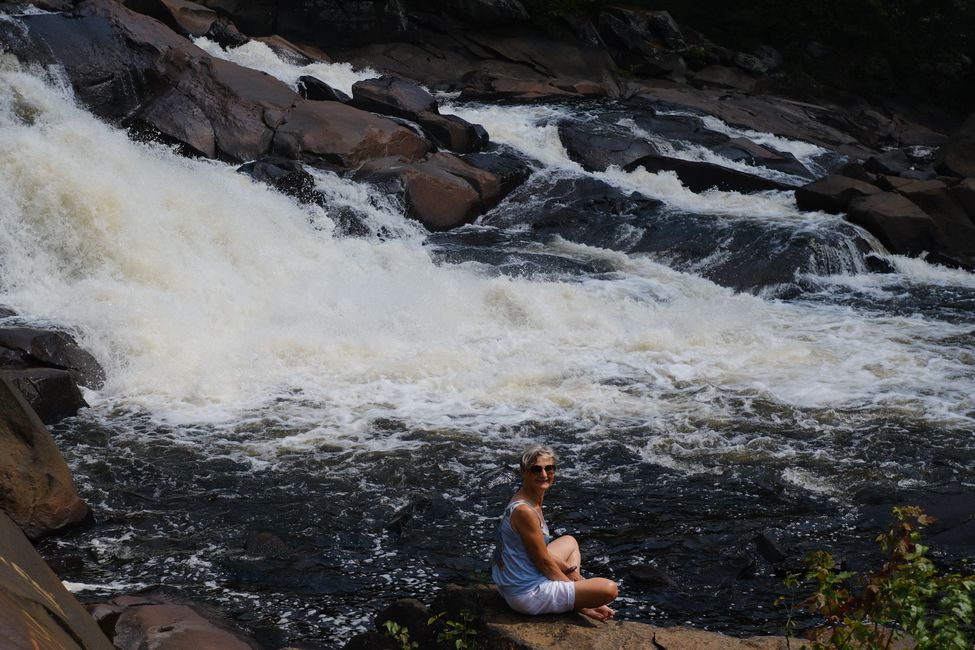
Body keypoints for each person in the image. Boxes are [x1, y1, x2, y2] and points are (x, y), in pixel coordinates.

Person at [492, 444, 618, 621]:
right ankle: (573, 603)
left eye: (549, 468)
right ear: (524, 472)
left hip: (512, 582)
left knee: (570, 541)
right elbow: (544, 563)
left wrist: (570, 571)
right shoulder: (524, 511)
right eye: (536, 469)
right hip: (526, 593)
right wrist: (585, 601)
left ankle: (571, 595)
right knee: (609, 589)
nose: (544, 475)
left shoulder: (529, 498)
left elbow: (539, 551)